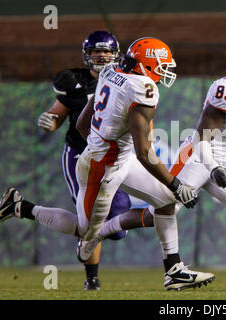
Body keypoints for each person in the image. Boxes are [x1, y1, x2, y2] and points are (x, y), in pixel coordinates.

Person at [0, 37, 214, 291]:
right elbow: (144, 151)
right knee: (86, 232)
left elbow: (84, 123)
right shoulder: (143, 87)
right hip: (101, 167)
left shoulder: (111, 72)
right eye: (161, 65)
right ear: (147, 65)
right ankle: (20, 206)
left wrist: (101, 142)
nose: (165, 71)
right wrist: (174, 182)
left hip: (118, 159)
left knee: (164, 201)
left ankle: (174, 271)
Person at [78, 43, 226, 290]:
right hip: (198, 157)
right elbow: (202, 138)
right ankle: (100, 231)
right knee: (155, 213)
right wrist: (212, 167)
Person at [36, 30, 137, 291]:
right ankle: (91, 279)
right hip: (80, 154)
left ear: (116, 55)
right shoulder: (74, 81)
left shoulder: (124, 79)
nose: (101, 56)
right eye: (96, 52)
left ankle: (20, 208)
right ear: (86, 55)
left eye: (106, 52)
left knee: (116, 227)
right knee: (90, 219)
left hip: (111, 157)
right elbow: (55, 117)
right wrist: (49, 122)